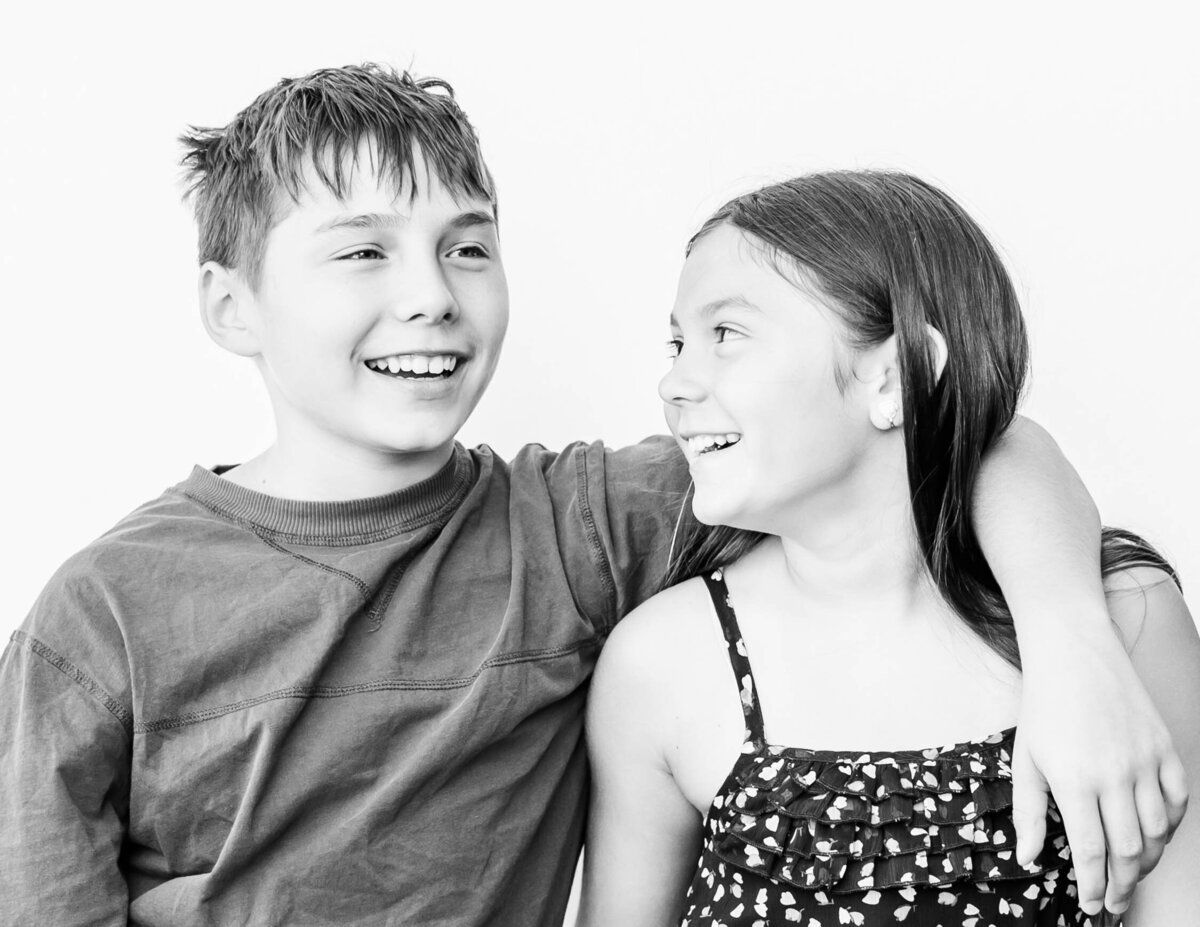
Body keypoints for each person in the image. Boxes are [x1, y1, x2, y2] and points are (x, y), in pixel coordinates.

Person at [0, 66, 1184, 926]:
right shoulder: (100, 617)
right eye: (362, 252)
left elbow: (959, 435)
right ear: (231, 308)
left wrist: (1077, 647)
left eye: (467, 247)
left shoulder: (580, 528)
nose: (431, 296)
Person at [580, 171, 1200, 925]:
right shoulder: (660, 662)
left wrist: (1074, 642)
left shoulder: (1126, 624)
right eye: (678, 341)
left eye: (726, 334)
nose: (675, 382)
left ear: (895, 377)